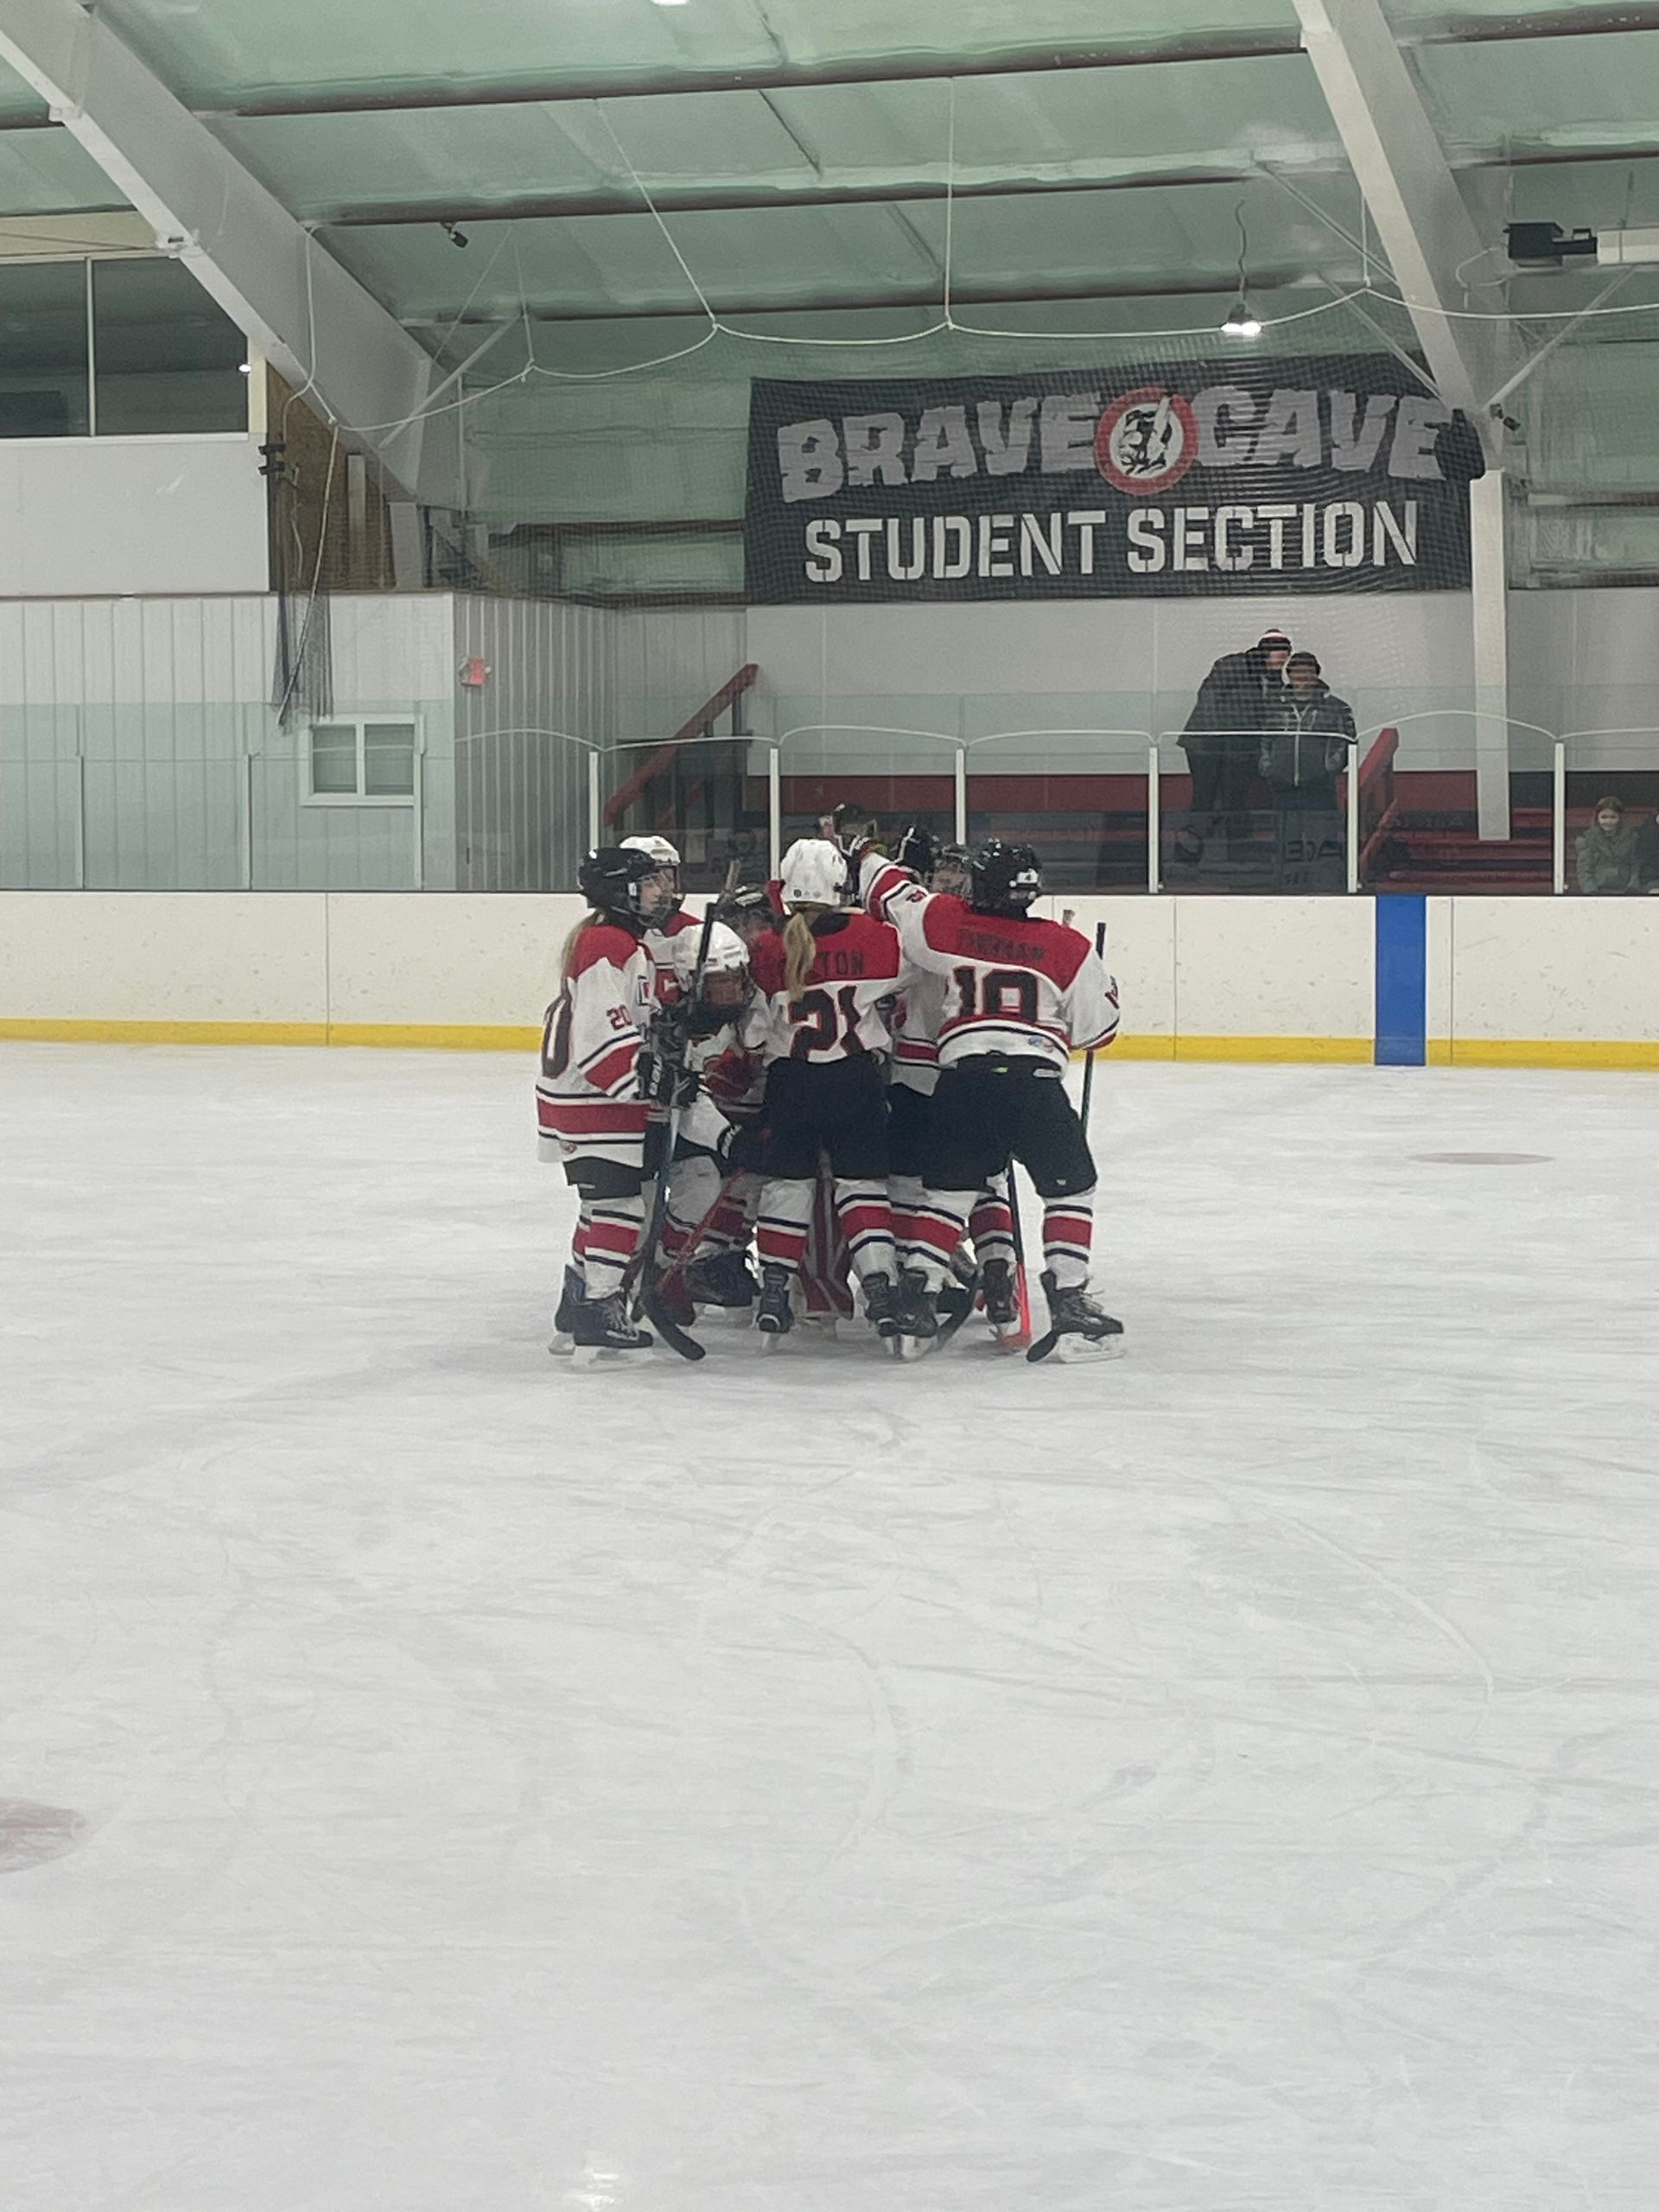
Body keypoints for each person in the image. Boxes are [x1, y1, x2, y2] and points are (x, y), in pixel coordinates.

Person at [856, 835, 1124, 1358]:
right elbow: (1100, 1030)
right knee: (1072, 1188)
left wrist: (865, 852)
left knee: (948, 1193)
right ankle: (1069, 1298)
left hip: (962, 1081)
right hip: (1033, 1085)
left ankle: (917, 1295)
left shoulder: (946, 920)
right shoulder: (1067, 946)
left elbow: (889, 894)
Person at [746, 838, 904, 1344]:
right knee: (862, 1187)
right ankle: (880, 1288)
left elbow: (752, 1030)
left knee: (788, 1187)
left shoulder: (770, 946)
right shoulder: (876, 936)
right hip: (855, 1081)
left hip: (792, 1084)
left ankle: (774, 1290)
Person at [535, 846, 672, 1357]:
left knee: (599, 1207)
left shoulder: (618, 941)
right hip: (594, 1097)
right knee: (619, 1206)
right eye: (649, 882)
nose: (661, 891)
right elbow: (600, 1031)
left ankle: (574, 1307)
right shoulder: (605, 943)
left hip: (584, 1097)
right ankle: (599, 1307)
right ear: (621, 890)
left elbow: (634, 1016)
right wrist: (639, 1078)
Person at [1177, 628, 1291, 861]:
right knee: (1205, 798)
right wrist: (1226, 738)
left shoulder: (1270, 679)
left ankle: (1230, 851)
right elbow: (1209, 700)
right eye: (1279, 657)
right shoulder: (1233, 666)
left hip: (1235, 747)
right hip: (1210, 746)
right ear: (1266, 653)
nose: (1281, 663)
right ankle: (1192, 852)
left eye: (1284, 658)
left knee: (1234, 798)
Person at [1261, 652, 1356, 889]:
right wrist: (1268, 767)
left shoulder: (1336, 707)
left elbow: (1347, 742)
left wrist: (1329, 767)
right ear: (1289, 675)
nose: (1302, 677)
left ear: (1316, 675)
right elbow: (1263, 740)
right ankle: (1285, 885)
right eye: (1297, 672)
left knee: (1322, 838)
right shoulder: (1272, 706)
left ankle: (1327, 885)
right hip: (1282, 785)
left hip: (1319, 786)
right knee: (1285, 839)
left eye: (1308, 672)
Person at [1576, 796, 1642, 895]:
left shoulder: (1631, 838)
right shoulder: (1587, 840)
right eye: (1604, 817)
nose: (1608, 821)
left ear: (1619, 818)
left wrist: (1632, 888)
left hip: (1626, 892)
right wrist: (1591, 892)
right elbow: (1584, 870)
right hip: (1598, 892)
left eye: (1613, 817)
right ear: (1597, 818)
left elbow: (1635, 866)